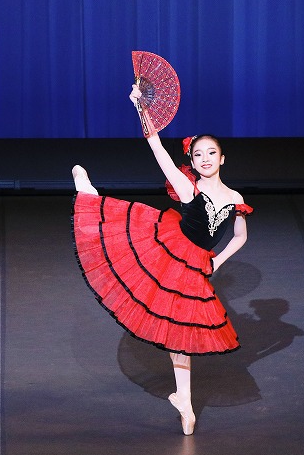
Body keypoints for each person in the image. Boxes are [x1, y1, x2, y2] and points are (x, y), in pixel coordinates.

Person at [71, 84, 252, 435]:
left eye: (211, 153)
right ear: (193, 161)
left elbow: (240, 236)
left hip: (195, 267)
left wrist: (217, 261)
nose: (204, 159)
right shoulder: (188, 188)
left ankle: (184, 400)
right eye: (198, 154)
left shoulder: (235, 198)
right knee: (119, 238)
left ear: (222, 158)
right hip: (168, 251)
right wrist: (142, 108)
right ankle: (89, 197)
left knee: (178, 333)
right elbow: (156, 147)